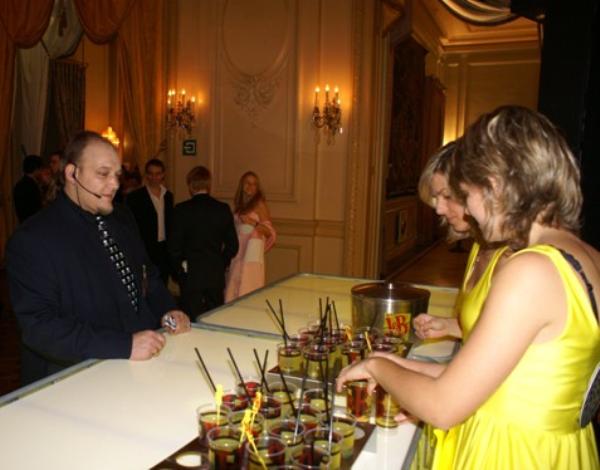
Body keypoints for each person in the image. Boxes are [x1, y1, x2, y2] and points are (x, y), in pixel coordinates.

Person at [337, 106, 600, 469]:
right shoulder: (587, 256)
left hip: (512, 454)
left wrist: (378, 368)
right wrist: (398, 366)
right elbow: (515, 381)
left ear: (493, 185)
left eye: (466, 193)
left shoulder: (531, 270)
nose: (469, 211)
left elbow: (443, 406)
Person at [6, 131, 191, 386]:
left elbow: (148, 276)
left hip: (143, 367)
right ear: (72, 174)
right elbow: (40, 328)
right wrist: (125, 345)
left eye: (117, 175)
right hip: (76, 379)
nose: (114, 184)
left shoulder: (123, 217)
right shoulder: (33, 238)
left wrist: (169, 310)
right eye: (103, 174)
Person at [413, 142, 508, 342]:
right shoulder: (478, 247)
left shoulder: (511, 260)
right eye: (436, 198)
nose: (439, 209)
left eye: (447, 196)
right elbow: (490, 330)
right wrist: (450, 326)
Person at [168, 166, 239, 318]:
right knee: (215, 317)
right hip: (215, 273)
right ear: (209, 184)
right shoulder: (222, 209)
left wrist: (179, 270)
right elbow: (233, 245)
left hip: (191, 274)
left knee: (191, 318)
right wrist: (221, 262)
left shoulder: (181, 210)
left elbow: (174, 247)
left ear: (190, 185)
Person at [225, 171, 276, 302]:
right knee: (233, 289)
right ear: (242, 185)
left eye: (254, 184)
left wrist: (253, 223)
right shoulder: (239, 206)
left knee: (248, 289)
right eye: (247, 183)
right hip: (238, 254)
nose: (250, 186)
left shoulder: (259, 204)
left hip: (251, 255)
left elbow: (269, 232)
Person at [126, 159, 174, 283]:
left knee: (163, 282)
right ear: (146, 175)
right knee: (146, 285)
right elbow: (131, 226)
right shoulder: (135, 197)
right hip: (145, 248)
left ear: (163, 174)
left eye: (158, 174)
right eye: (151, 174)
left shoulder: (168, 196)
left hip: (164, 249)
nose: (154, 177)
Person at [13, 154, 43, 223]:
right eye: (40, 169)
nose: (41, 172)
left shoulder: (18, 185)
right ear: (36, 169)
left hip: (23, 223)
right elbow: (37, 209)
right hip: (33, 223)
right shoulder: (33, 186)